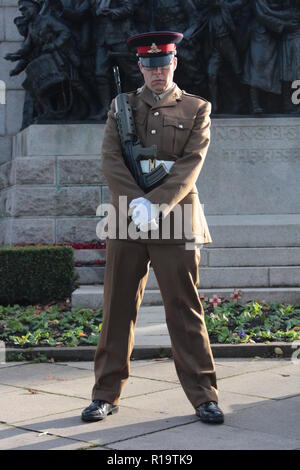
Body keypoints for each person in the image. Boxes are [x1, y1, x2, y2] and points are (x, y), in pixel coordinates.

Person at [81, 31, 224, 425]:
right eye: (150, 66)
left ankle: (204, 397)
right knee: (117, 310)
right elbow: (111, 161)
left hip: (176, 220)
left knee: (184, 310)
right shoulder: (121, 107)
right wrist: (135, 203)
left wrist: (157, 204)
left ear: (174, 63)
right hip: (127, 222)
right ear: (140, 67)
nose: (157, 73)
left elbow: (191, 163)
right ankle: (105, 395)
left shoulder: (197, 108)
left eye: (164, 65)